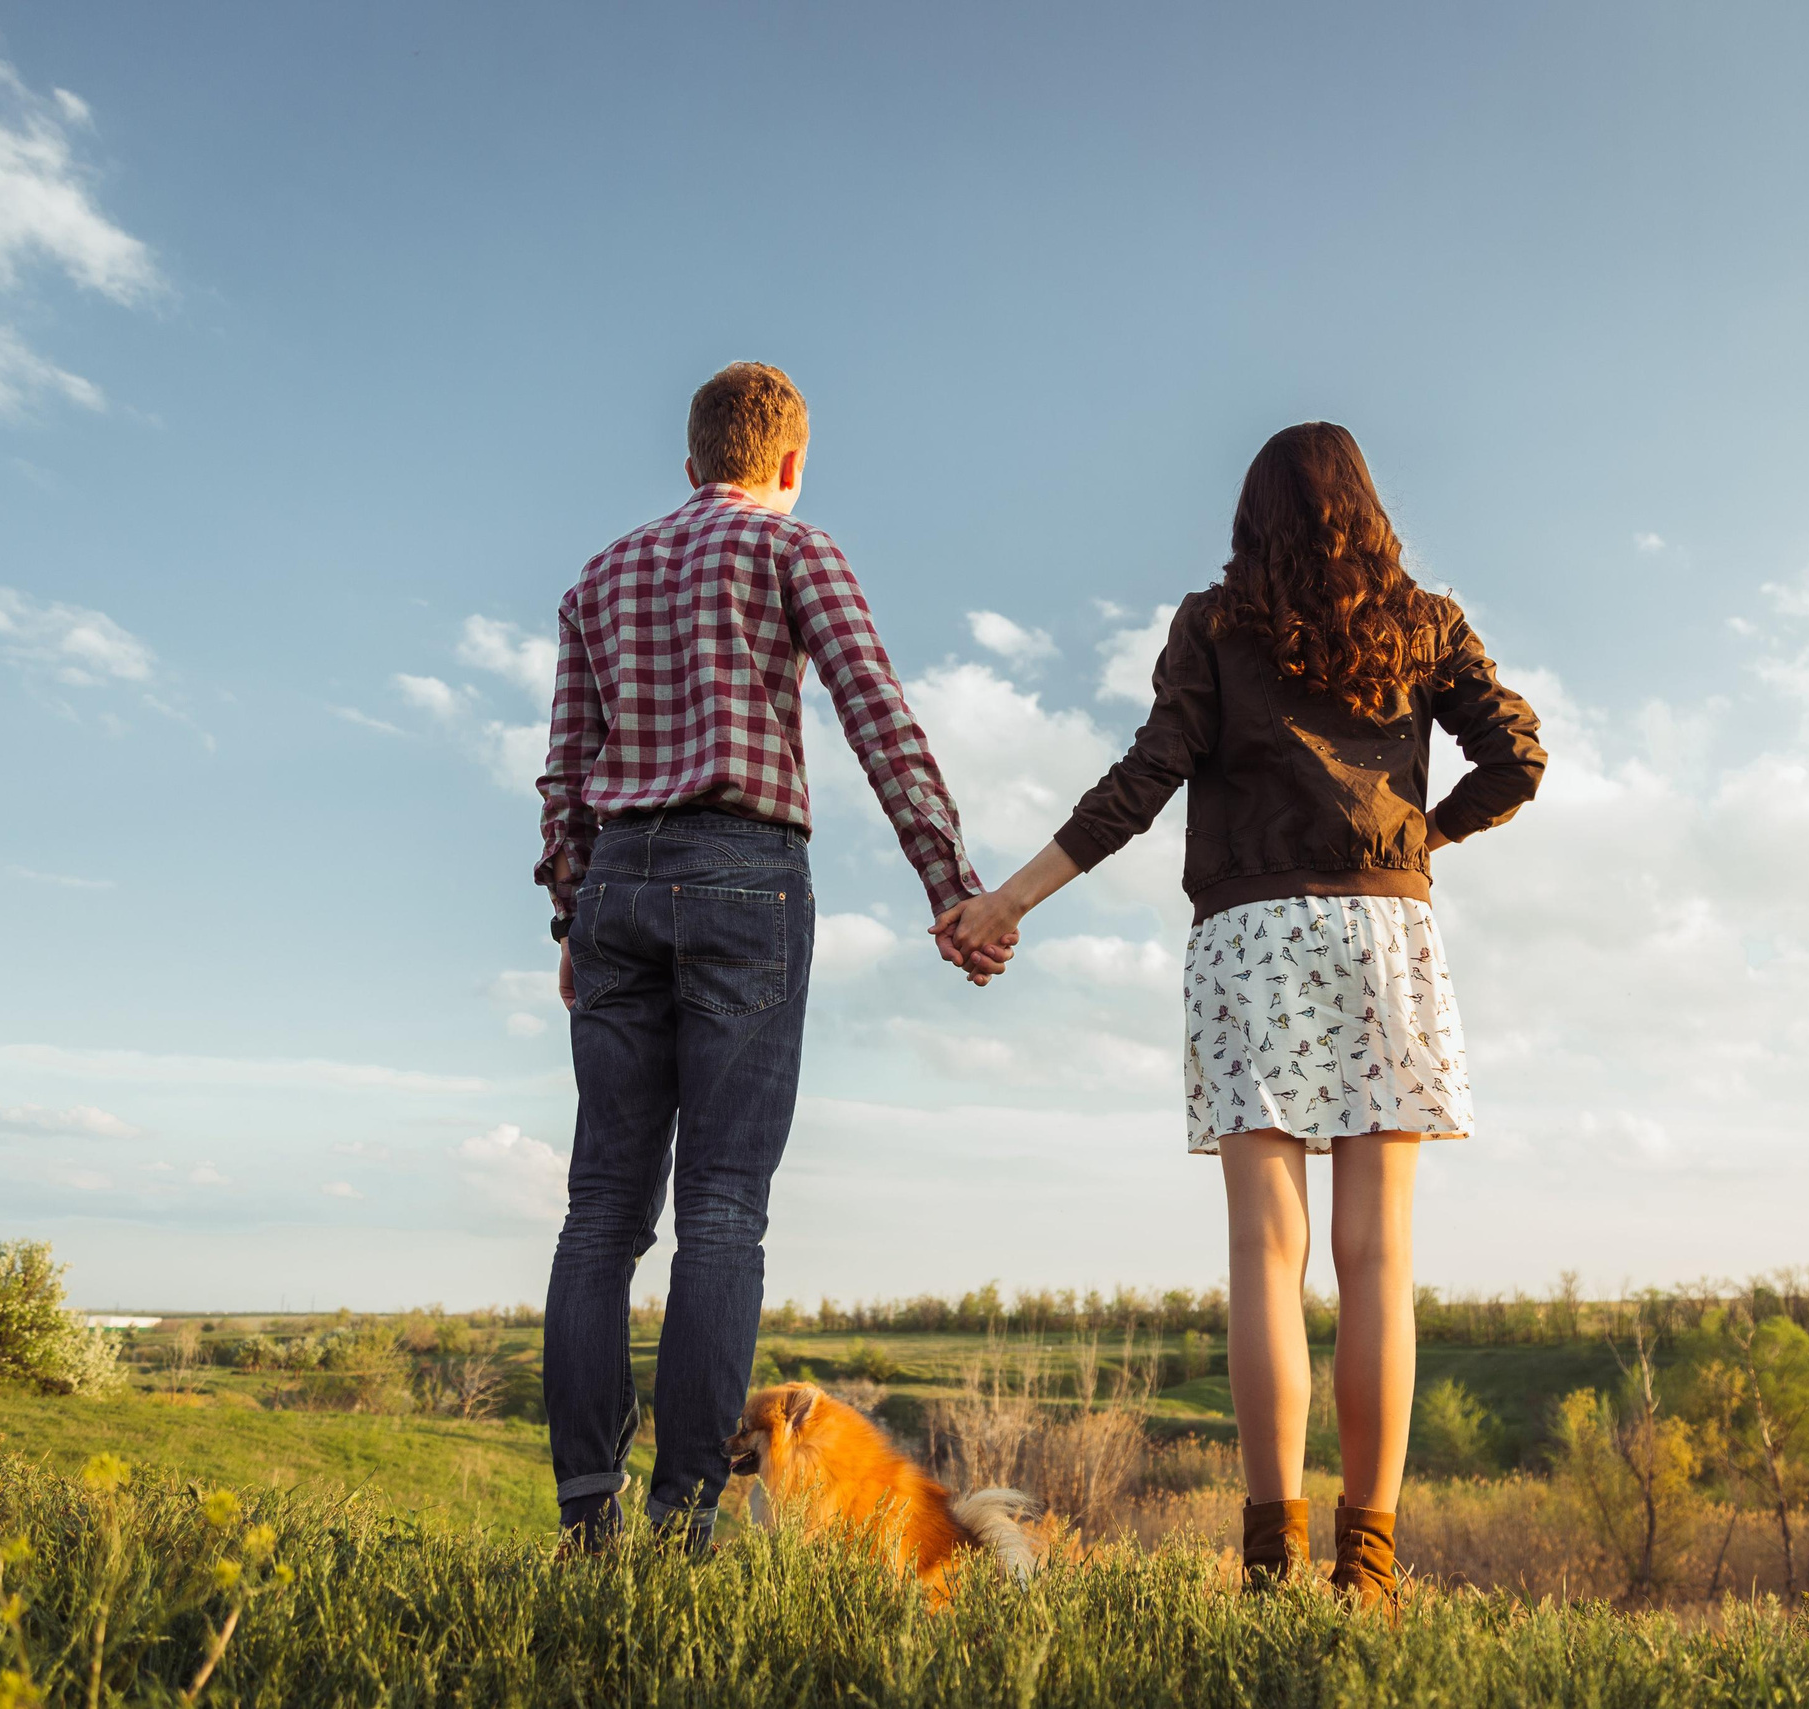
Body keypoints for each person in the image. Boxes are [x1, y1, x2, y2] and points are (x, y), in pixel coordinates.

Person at [937, 422, 1544, 1604]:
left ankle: (1269, 1565)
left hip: (1250, 936)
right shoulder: (1427, 622)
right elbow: (1515, 757)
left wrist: (1007, 899)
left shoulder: (1213, 624)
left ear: (1250, 516)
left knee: (1266, 1254)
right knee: (1379, 1260)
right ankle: (1367, 1570)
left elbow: (1144, 778)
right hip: (1384, 932)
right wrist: (1420, 834)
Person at [538, 362, 1009, 1551]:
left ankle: (586, 1514)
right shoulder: (795, 549)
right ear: (790, 462)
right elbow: (876, 712)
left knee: (600, 1209)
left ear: (690, 461)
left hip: (617, 885)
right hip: (746, 875)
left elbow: (566, 769)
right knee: (722, 1210)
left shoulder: (599, 576)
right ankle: (684, 1518)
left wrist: (570, 915)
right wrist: (950, 885)